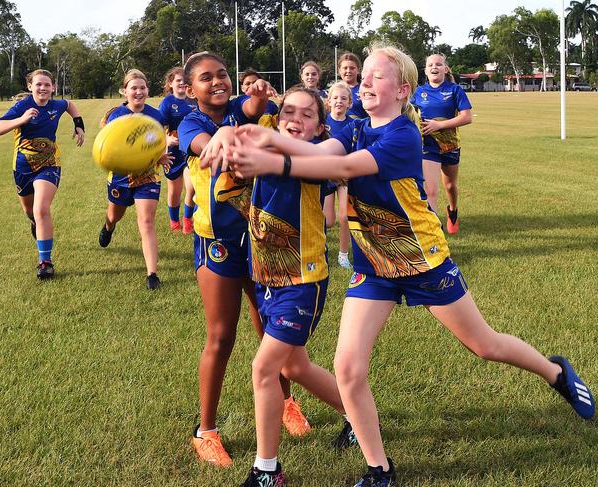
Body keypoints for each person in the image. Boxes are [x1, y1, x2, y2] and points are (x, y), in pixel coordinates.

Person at [225, 42, 595, 487]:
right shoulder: (356, 127)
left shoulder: (403, 136)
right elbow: (323, 152)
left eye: (375, 77)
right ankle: (379, 469)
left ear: (402, 90)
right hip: (374, 267)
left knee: (485, 345)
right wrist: (267, 135)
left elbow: (342, 166)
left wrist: (268, 158)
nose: (364, 82)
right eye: (362, 75)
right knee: (348, 367)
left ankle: (555, 371)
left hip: (423, 263)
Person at [178, 52, 309, 468]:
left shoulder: (240, 109)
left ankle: (287, 402)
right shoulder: (191, 123)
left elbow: (253, 107)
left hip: (261, 241)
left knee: (271, 330)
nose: (216, 82)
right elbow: (205, 148)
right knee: (221, 336)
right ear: (190, 88)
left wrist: (255, 97)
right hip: (218, 243)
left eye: (221, 74)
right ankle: (206, 430)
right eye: (205, 78)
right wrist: (223, 138)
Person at [226, 86, 357, 486]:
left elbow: (332, 160)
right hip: (266, 280)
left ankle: (267, 471)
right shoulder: (262, 157)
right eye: (288, 113)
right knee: (295, 366)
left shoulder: (314, 159)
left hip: (302, 282)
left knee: (264, 368)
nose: (295, 120)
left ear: (319, 126)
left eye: (306, 115)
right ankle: (359, 416)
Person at [0, 69, 85, 280]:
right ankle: (35, 222)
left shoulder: (56, 105)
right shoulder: (22, 106)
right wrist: (21, 120)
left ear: (53, 87)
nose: (43, 88)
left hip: (49, 164)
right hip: (23, 167)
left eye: (47, 85)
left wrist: (78, 125)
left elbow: (70, 105)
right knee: (30, 211)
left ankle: (45, 262)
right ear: (30, 87)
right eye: (38, 84)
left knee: (41, 208)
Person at [97, 69, 170, 290]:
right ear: (125, 91)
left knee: (146, 221)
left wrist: (161, 154)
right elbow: (109, 147)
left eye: (142, 88)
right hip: (120, 176)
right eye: (134, 88)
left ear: (147, 90)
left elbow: (157, 141)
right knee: (114, 215)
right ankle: (108, 227)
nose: (138, 92)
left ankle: (152, 274)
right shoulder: (116, 116)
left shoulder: (156, 116)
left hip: (147, 176)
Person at [411, 53, 472, 234]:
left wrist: (439, 125)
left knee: (450, 186)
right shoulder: (418, 92)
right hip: (428, 146)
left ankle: (452, 210)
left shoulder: (455, 90)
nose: (434, 67)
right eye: (430, 65)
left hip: (450, 145)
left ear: (445, 69)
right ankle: (433, 231)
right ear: (426, 70)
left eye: (438, 64)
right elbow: (408, 113)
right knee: (430, 189)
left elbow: (466, 117)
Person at [158, 66, 198, 234]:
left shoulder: (194, 101)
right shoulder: (167, 103)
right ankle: (174, 220)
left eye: (184, 80)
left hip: (190, 152)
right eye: (178, 80)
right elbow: (159, 127)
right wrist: (166, 139)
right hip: (172, 153)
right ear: (171, 84)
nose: (182, 83)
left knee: (192, 187)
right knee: (175, 191)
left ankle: (188, 219)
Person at [324, 81, 354, 269]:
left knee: (345, 217)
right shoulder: (322, 122)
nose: (339, 101)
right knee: (327, 220)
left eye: (343, 98)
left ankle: (343, 255)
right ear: (328, 101)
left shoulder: (354, 124)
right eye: (335, 98)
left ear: (350, 103)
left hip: (344, 177)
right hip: (324, 175)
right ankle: (320, 249)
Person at [338, 51, 367, 119]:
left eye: (352, 68)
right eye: (345, 68)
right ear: (339, 70)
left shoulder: (364, 89)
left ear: (358, 70)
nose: (348, 71)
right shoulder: (333, 91)